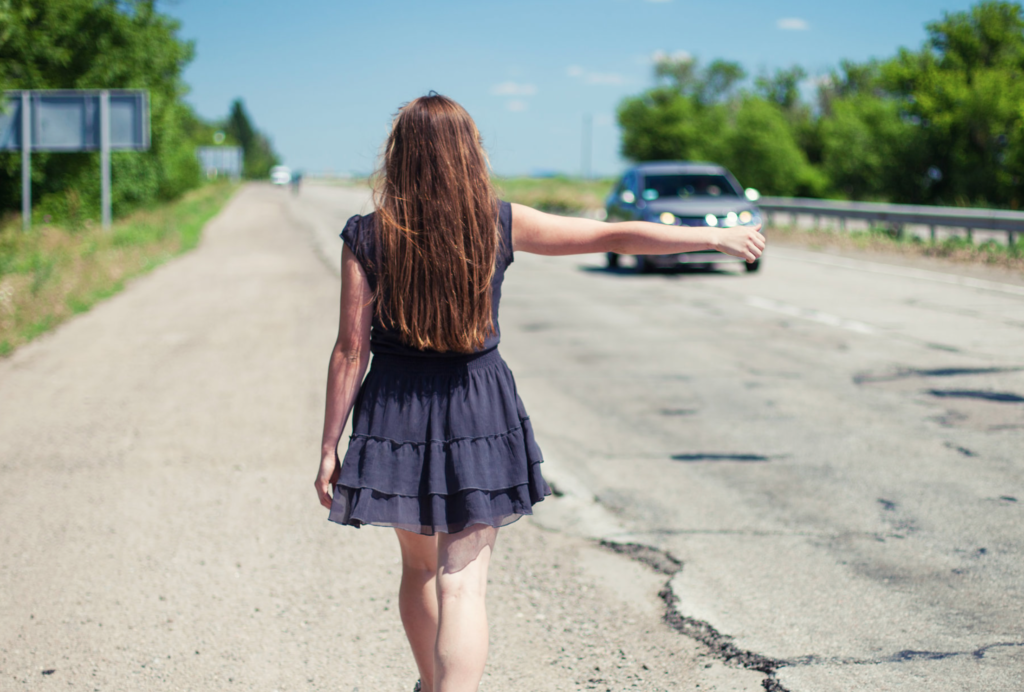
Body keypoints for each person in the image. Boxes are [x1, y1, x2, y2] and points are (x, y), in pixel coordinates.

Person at [315, 93, 765, 692]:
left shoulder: (368, 235)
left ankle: (430, 685)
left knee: (419, 568)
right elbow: (610, 235)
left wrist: (329, 447)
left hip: (396, 412)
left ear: (399, 157)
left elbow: (351, 349)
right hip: (476, 406)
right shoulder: (498, 222)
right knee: (462, 583)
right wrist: (710, 239)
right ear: (469, 154)